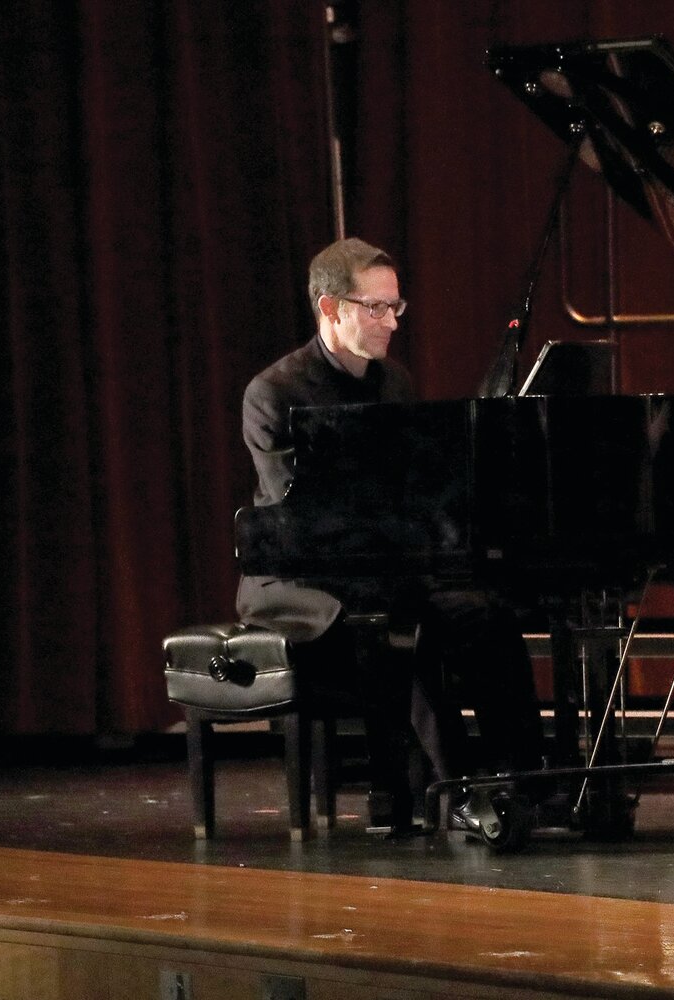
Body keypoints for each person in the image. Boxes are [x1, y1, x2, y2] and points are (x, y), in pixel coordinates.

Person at [236, 237, 543, 837]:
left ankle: (524, 778)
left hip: (383, 568)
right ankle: (453, 787)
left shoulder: (394, 382)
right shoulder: (274, 392)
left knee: (489, 615)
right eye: (375, 308)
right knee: (409, 625)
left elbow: (419, 486)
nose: (390, 322)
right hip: (300, 582)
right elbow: (294, 515)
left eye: (395, 307)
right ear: (330, 309)